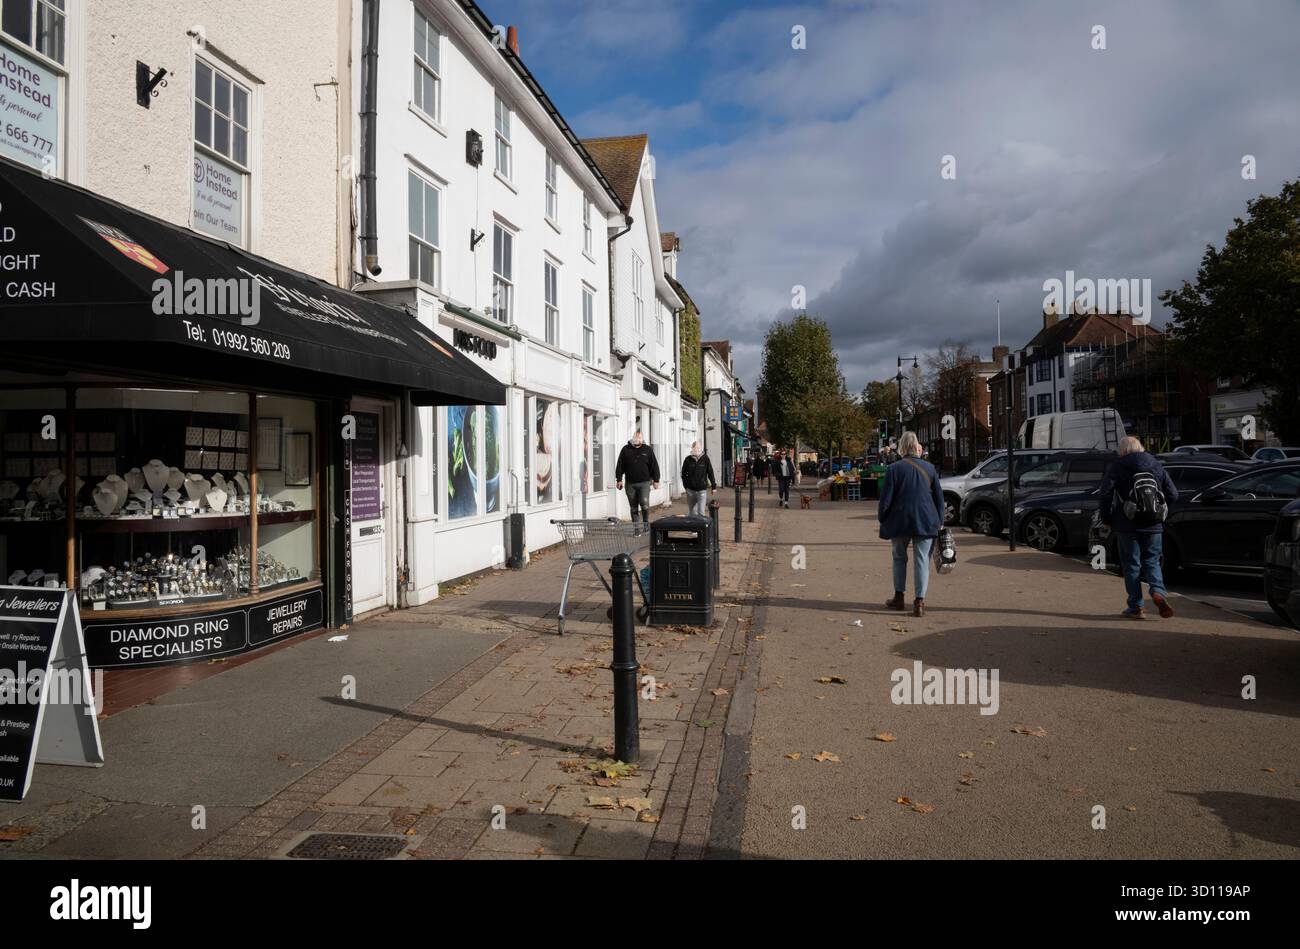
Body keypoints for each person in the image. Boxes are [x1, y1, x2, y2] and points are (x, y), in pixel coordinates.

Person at [1098, 435, 1178, 619]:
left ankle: (1135, 607)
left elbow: (1105, 495)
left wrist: (1107, 518)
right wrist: (1160, 510)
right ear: (1141, 447)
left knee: (1131, 565)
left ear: (1122, 450)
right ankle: (1158, 591)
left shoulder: (1117, 467)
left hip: (1126, 524)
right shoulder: (1156, 465)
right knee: (1152, 560)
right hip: (1153, 524)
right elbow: (1173, 494)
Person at [877, 431, 944, 617]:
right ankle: (919, 602)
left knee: (899, 557)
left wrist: (882, 517)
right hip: (926, 520)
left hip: (900, 521)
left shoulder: (894, 469)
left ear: (902, 447)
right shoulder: (930, 469)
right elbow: (939, 499)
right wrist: (940, 521)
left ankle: (899, 597)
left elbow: (886, 500)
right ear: (916, 446)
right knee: (922, 560)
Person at [615, 430, 660, 528]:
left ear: (642, 439)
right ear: (633, 438)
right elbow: (620, 465)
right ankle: (636, 528)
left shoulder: (647, 449)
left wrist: (656, 480)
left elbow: (654, 465)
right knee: (633, 507)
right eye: (636, 437)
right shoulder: (626, 449)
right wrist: (619, 479)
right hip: (630, 484)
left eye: (639, 437)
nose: (637, 439)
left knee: (644, 504)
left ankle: (645, 524)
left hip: (644, 483)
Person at [681, 441, 716, 517]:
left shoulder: (705, 459)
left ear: (701, 448)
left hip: (702, 490)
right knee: (692, 513)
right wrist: (686, 486)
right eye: (695, 447)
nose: (697, 449)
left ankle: (701, 529)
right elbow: (683, 474)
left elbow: (710, 472)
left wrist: (714, 486)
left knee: (701, 512)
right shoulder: (688, 459)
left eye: (698, 447)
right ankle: (693, 528)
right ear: (692, 448)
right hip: (690, 490)